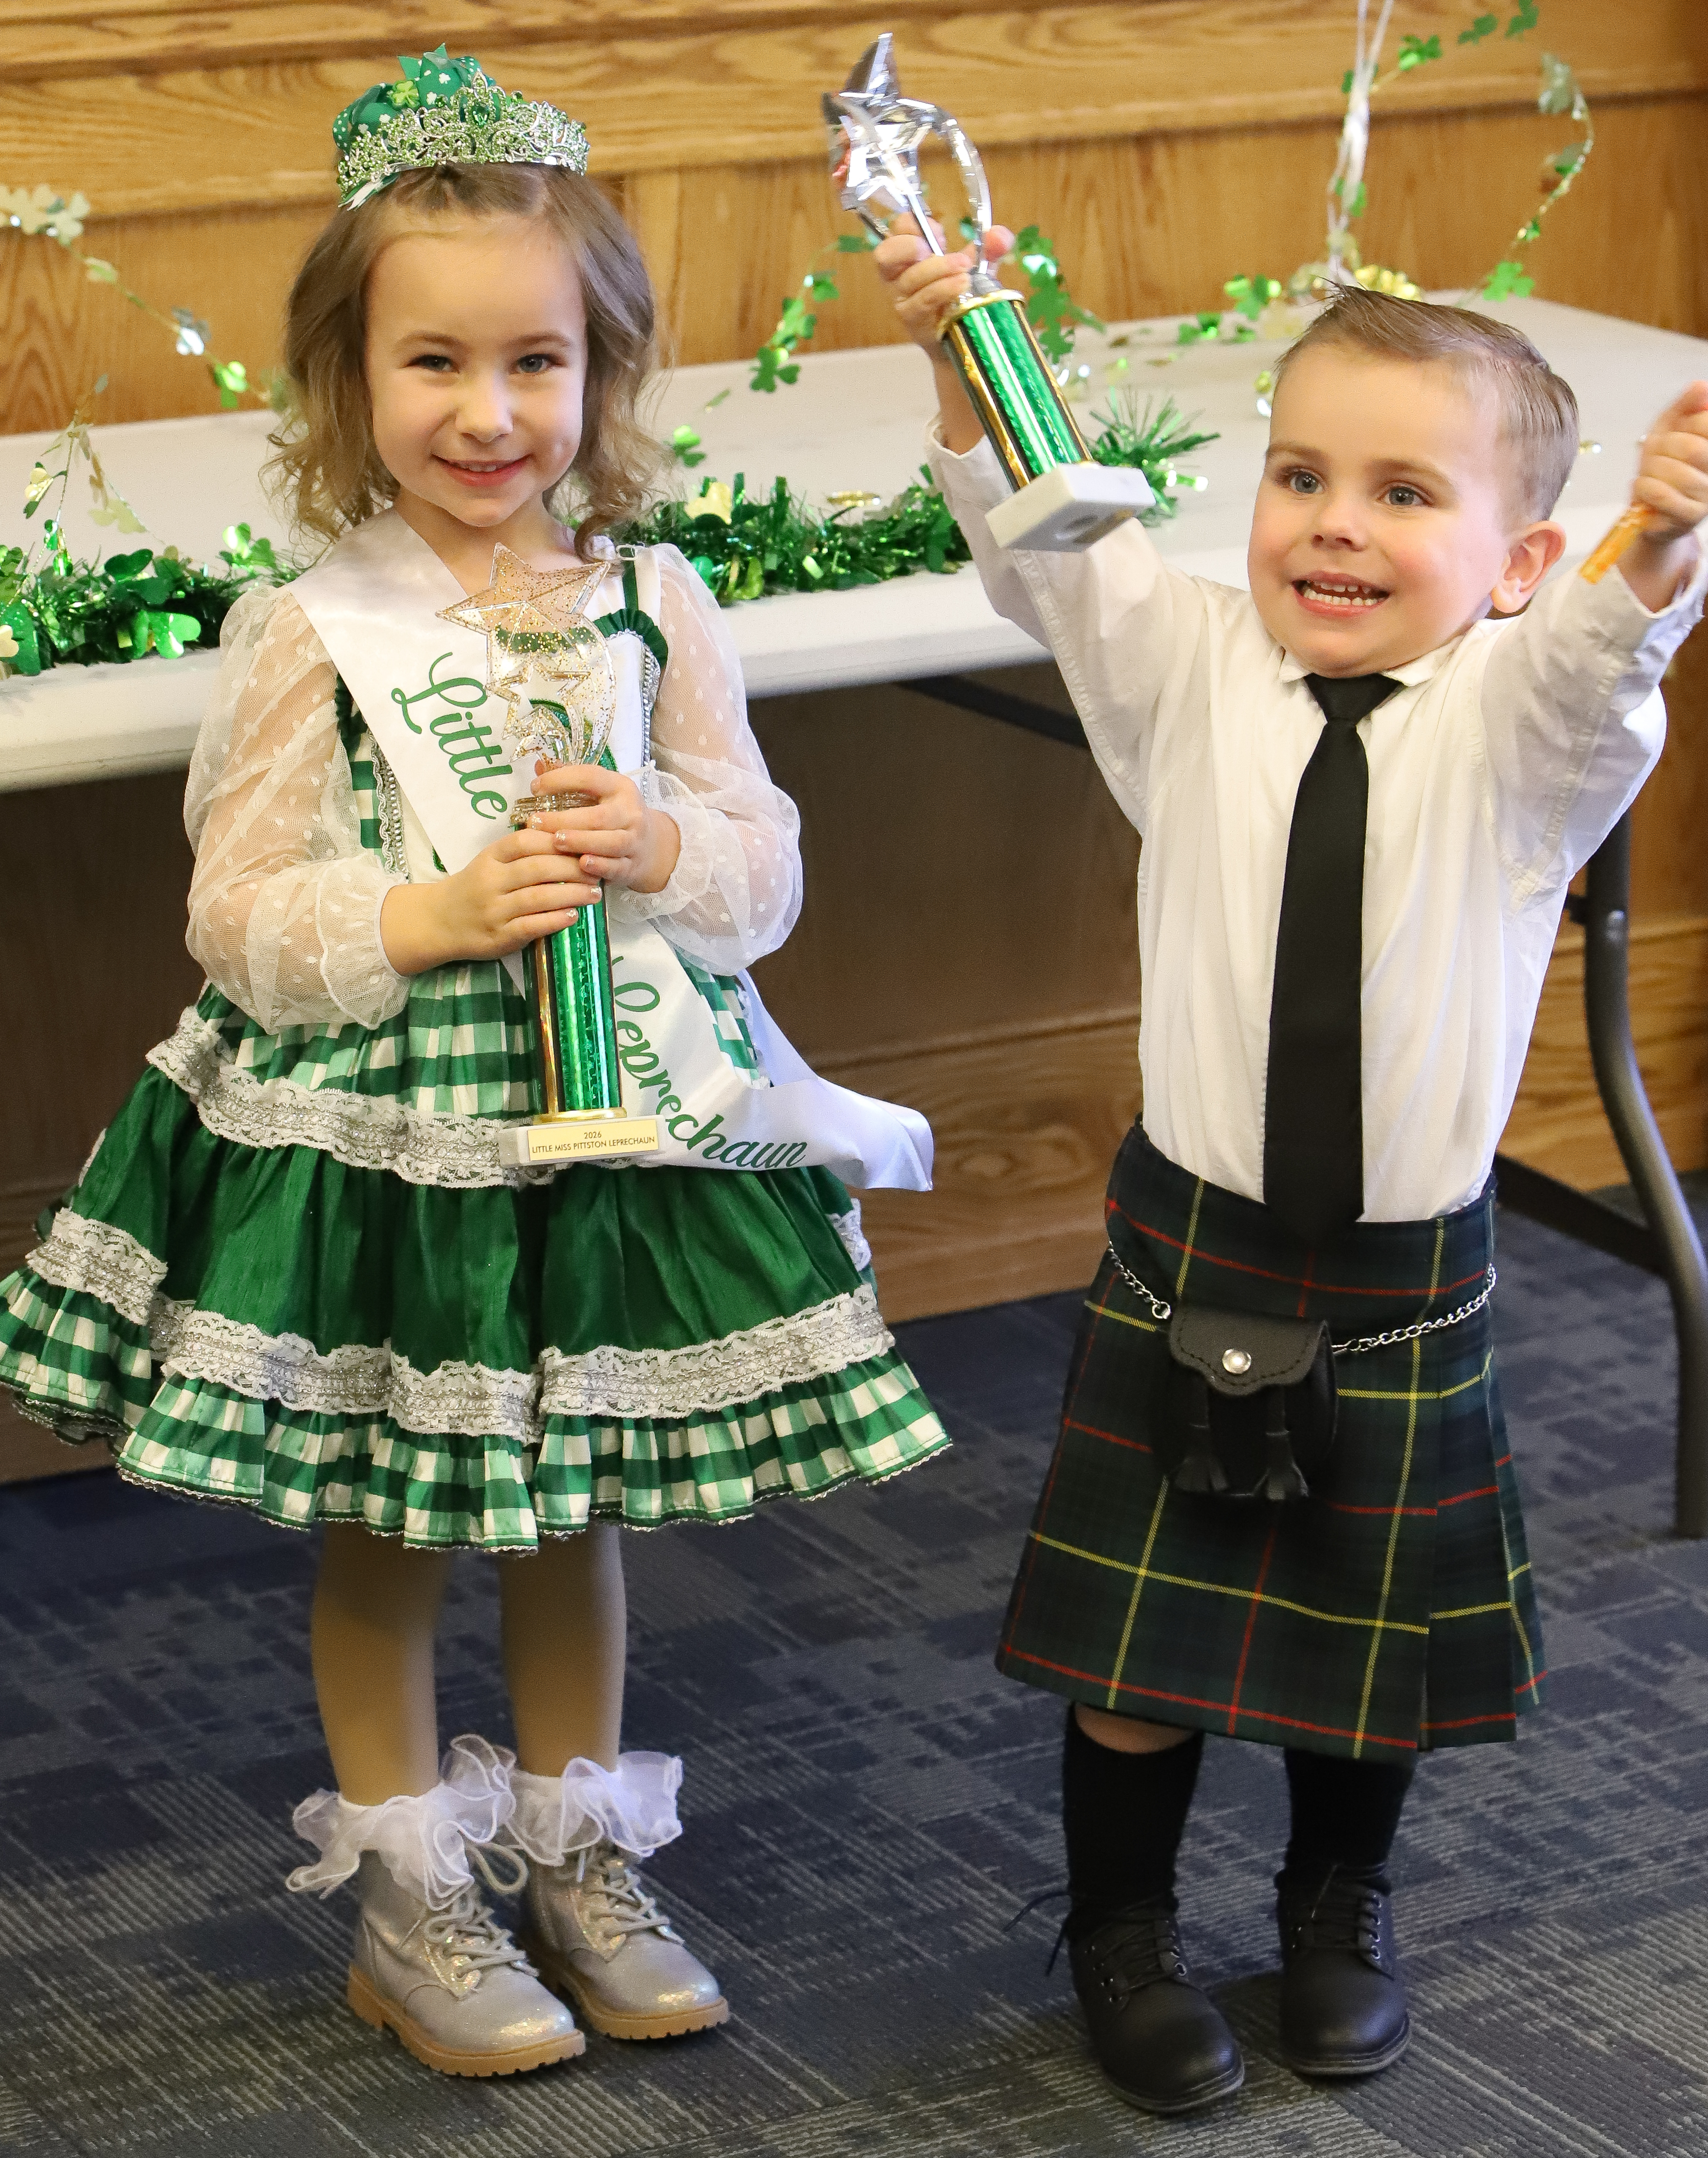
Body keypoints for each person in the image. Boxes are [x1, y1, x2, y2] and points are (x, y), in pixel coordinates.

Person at [0, 49, 949, 2081]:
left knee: (570, 1506)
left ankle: (577, 1852)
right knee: (393, 1513)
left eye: (541, 362)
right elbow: (240, 912)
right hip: (392, 1139)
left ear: (604, 373)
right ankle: (413, 1899)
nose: (493, 413)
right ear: (349, 380)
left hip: (609, 1128)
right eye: (436, 362)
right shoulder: (304, 630)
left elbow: (764, 875)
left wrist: (669, 851)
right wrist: (421, 915)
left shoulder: (654, 602)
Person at [876, 220, 1708, 2114]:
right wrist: (965, 343)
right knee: (1138, 1654)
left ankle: (1332, 1914)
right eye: (1298, 475)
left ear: (1514, 561)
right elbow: (1044, 529)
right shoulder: (1184, 667)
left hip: (1396, 1273)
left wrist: (1651, 549)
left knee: (1371, 1643)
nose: (1330, 526)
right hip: (1190, 1246)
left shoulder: (1521, 733)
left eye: (1400, 491)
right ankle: (1118, 1937)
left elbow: (1598, 661)